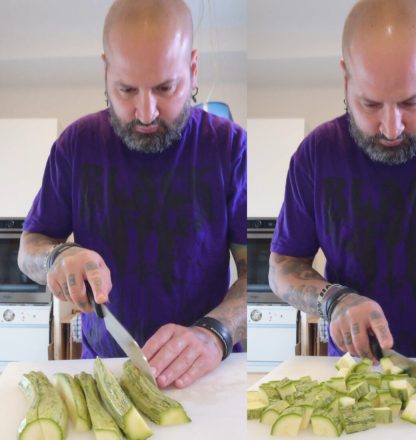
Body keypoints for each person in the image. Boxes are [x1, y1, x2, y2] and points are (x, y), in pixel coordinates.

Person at [16, 0, 246, 389]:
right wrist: (58, 255)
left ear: (192, 71)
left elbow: (256, 272)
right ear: (106, 72)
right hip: (107, 372)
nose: (145, 113)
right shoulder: (76, 145)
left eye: (165, 87)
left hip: (205, 375)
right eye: (125, 89)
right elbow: (29, 249)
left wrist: (216, 332)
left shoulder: (230, 148)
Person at [269, 0, 416, 377]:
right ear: (346, 80)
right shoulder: (316, 154)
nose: (391, 128)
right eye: (370, 103)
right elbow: (283, 267)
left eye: (412, 101)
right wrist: (334, 300)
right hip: (354, 368)